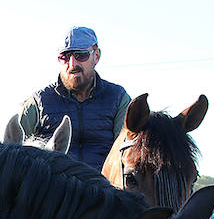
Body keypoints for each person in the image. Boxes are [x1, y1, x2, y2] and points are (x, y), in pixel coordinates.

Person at [10, 26, 131, 171]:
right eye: (65, 57)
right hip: (52, 189)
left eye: (81, 55)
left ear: (96, 56)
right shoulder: (38, 103)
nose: (72, 64)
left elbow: (127, 152)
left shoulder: (118, 99)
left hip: (103, 189)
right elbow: (12, 152)